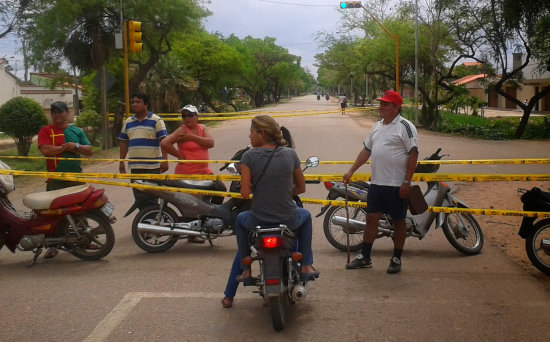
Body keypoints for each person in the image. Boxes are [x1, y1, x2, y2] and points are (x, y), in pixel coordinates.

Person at [221, 116, 318, 308]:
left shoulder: (248, 157)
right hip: (288, 218)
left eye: (251, 132)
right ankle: (306, 263)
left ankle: (246, 270)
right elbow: (301, 187)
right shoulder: (290, 155)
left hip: (258, 219)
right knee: (305, 217)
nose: (249, 136)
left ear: (262, 133)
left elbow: (245, 192)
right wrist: (282, 191)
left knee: (241, 221)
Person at [343, 90, 419, 274]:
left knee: (399, 222)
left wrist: (406, 182)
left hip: (396, 185)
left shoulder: (405, 126)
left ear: (396, 107)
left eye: (385, 104)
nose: (381, 107)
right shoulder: (377, 126)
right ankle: (365, 257)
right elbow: (366, 150)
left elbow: (413, 153)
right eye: (381, 103)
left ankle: (396, 258)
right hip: (377, 183)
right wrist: (351, 170)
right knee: (371, 219)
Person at [160, 104, 225, 243]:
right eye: (184, 116)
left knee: (220, 189)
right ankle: (192, 233)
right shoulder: (181, 130)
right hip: (187, 173)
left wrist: (191, 138)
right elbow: (164, 143)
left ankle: (207, 218)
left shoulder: (202, 128)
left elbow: (210, 143)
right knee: (192, 203)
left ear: (197, 116)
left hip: (205, 172)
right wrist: (178, 154)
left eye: (190, 115)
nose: (187, 118)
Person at [37, 101, 93, 258]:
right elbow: (45, 150)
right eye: (54, 112)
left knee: (80, 210)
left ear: (67, 113)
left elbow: (89, 150)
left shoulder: (76, 131)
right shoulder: (46, 131)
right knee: (53, 213)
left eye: (60, 112)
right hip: (55, 179)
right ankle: (52, 246)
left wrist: (74, 145)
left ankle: (86, 240)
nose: (56, 115)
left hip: (76, 178)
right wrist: (64, 148)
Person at [119, 93, 168, 209]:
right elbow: (123, 142)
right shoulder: (128, 122)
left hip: (152, 169)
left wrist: (165, 160)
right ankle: (145, 223)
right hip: (136, 169)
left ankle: (151, 223)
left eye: (138, 102)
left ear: (146, 104)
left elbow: (164, 142)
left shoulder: (156, 120)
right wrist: (121, 162)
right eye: (133, 102)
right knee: (139, 200)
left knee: (151, 199)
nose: (134, 104)